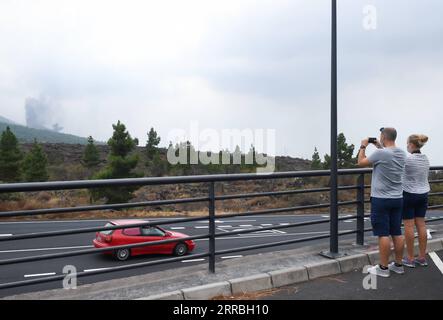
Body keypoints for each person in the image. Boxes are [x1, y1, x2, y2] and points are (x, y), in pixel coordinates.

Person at [357, 127, 407, 277]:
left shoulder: (381, 153)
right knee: (397, 232)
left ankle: (383, 268)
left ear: (384, 137)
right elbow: (387, 155)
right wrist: (379, 145)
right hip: (397, 198)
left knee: (383, 234)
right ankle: (398, 265)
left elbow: (360, 162)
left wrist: (363, 146)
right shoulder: (401, 153)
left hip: (381, 199)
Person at [402, 134, 430, 268]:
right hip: (423, 194)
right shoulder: (426, 159)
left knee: (409, 226)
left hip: (409, 194)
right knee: (421, 225)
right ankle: (422, 257)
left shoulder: (408, 159)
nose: (406, 145)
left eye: (407, 143)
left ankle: (410, 258)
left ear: (412, 145)